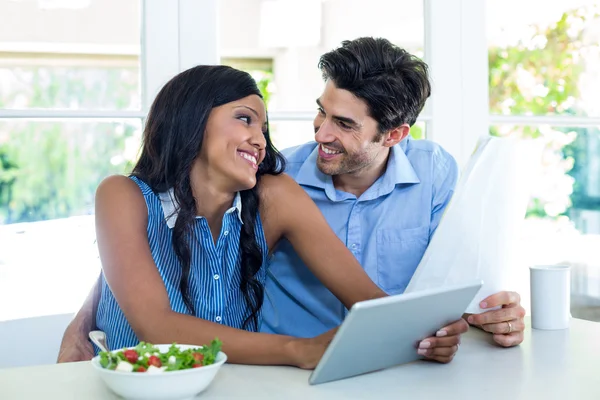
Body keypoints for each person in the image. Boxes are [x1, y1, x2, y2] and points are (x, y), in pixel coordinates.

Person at [57, 63, 467, 368]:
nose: (260, 138)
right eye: (244, 118)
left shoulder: (273, 196)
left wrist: (433, 332)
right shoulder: (122, 195)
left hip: (238, 387)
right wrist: (298, 349)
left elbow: (372, 303)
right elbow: (158, 327)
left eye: (263, 127)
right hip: (130, 388)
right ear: (192, 118)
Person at [261, 37, 525, 350]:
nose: (321, 133)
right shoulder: (279, 176)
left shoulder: (433, 172)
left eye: (344, 124)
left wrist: (490, 317)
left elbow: (454, 286)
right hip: (290, 366)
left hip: (398, 358)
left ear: (394, 135)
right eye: (322, 111)